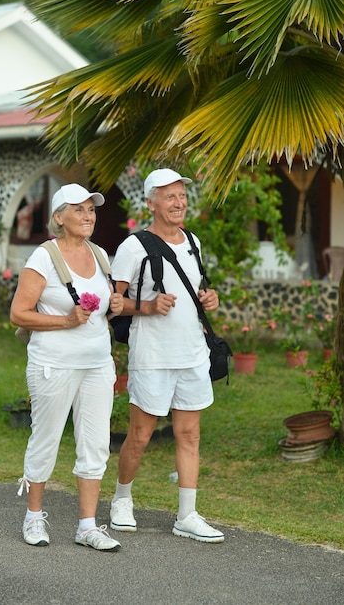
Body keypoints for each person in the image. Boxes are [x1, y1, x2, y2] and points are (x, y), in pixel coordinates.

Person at [109, 168, 224, 543]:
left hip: (192, 354)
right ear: (151, 203)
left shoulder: (193, 241)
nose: (179, 202)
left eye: (182, 195)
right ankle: (121, 499)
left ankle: (187, 515)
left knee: (189, 435)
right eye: (170, 196)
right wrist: (146, 305)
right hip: (153, 356)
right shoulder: (133, 246)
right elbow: (113, 305)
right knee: (140, 435)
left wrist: (210, 298)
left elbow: (196, 289)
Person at [10, 183, 124, 552]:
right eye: (79, 209)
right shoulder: (43, 257)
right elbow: (18, 314)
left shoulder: (101, 255)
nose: (88, 215)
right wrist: (65, 321)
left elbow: (101, 310)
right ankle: (33, 517)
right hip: (52, 365)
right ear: (59, 217)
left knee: (96, 445)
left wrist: (116, 305)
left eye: (91, 209)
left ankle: (87, 526)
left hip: (96, 365)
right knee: (46, 440)